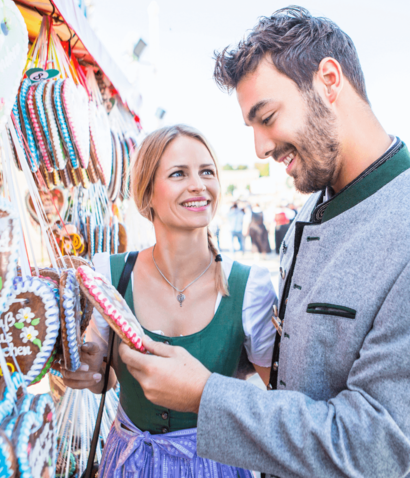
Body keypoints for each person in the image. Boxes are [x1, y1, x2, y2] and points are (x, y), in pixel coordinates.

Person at [116, 7, 410, 477]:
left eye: (268, 116)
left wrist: (204, 394)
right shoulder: (308, 212)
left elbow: (376, 444)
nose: (259, 148)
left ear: (329, 81)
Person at [60, 124, 277, 477]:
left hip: (217, 464)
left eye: (207, 172)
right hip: (129, 461)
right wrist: (84, 372)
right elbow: (105, 379)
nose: (198, 185)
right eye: (179, 173)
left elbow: (278, 401)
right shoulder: (110, 274)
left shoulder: (250, 287)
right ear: (147, 195)